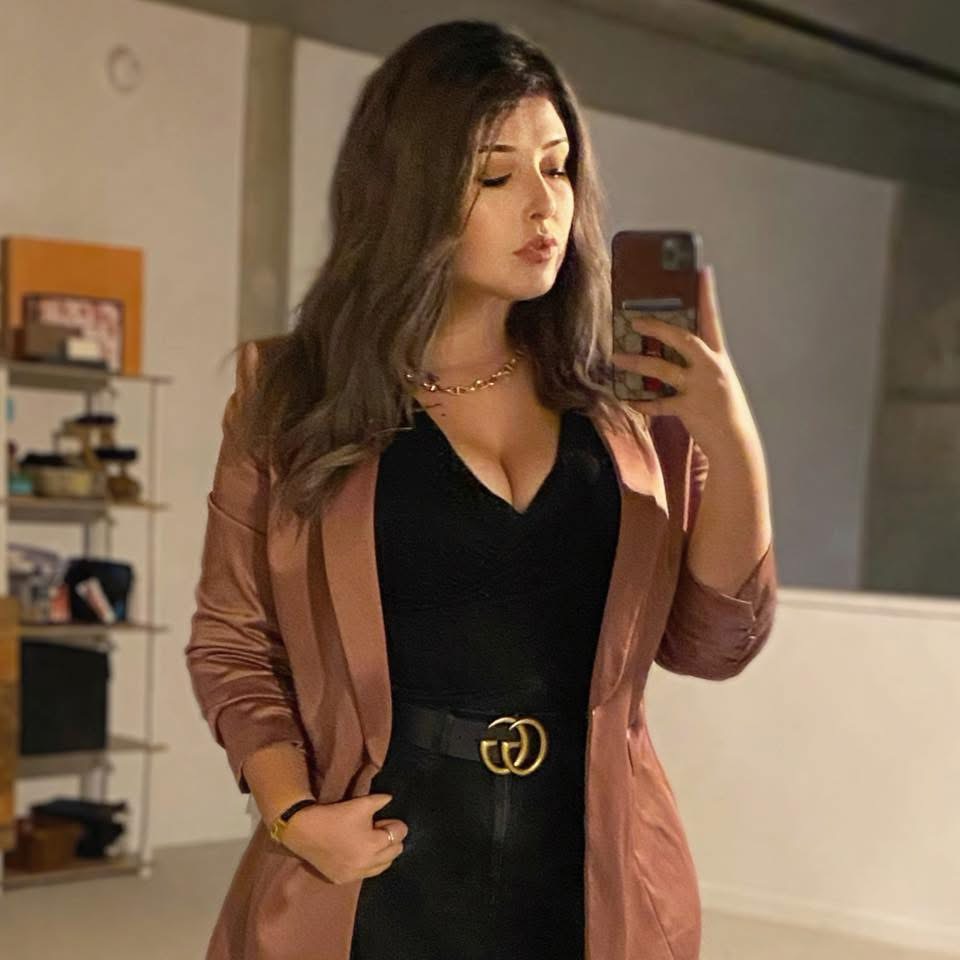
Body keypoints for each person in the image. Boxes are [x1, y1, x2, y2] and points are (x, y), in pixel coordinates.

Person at [185, 19, 778, 960]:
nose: (545, 205)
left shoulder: (623, 410)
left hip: (584, 872)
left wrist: (730, 435)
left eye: (558, 167)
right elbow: (233, 642)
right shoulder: (291, 396)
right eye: (497, 177)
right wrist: (294, 815)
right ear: (409, 192)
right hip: (379, 872)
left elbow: (715, 643)